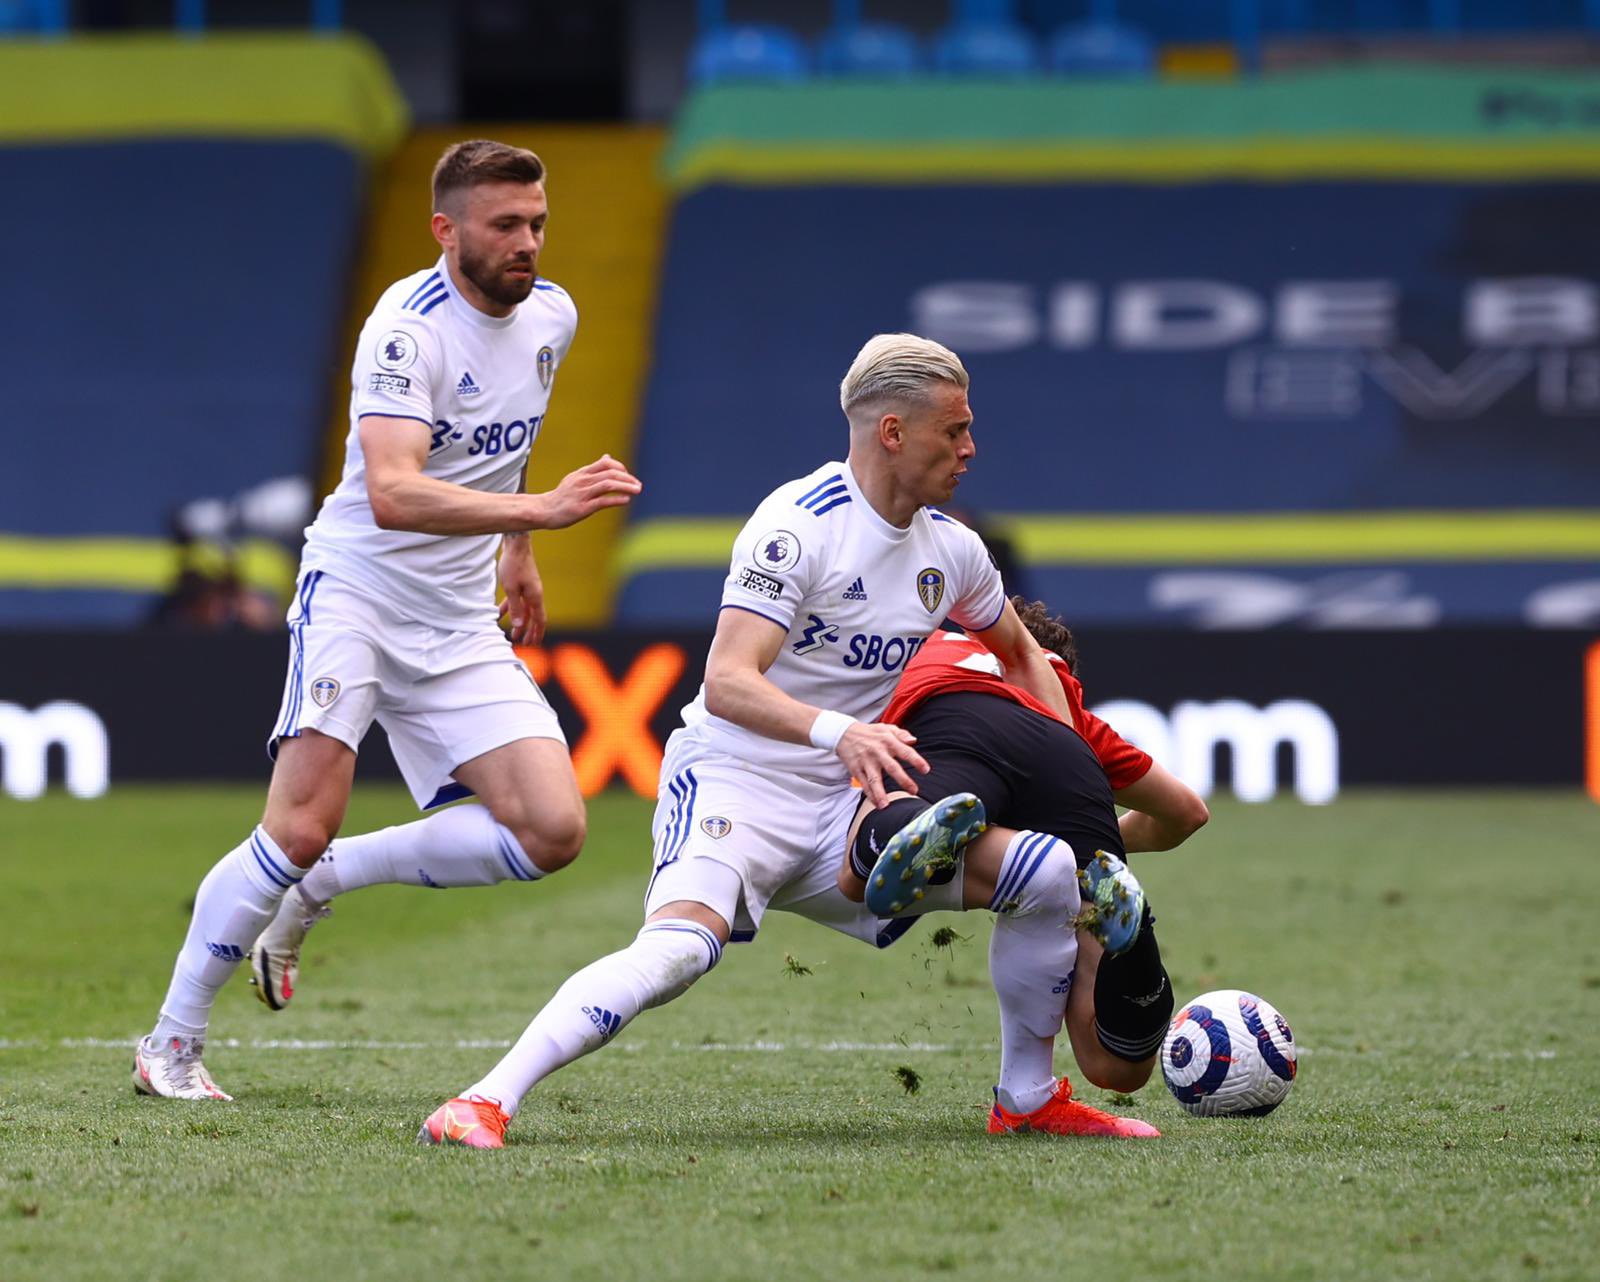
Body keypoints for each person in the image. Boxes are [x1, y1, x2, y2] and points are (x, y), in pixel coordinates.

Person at [414, 332, 1079, 1148]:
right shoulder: (799, 524)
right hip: (738, 781)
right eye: (955, 430)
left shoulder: (955, 551)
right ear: (893, 432)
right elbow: (728, 680)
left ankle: (1027, 1099)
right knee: (680, 951)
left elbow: (1020, 654)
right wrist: (843, 733)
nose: (971, 449)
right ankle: (481, 1102)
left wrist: (1069, 772)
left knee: (1048, 873)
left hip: (847, 810)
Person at [130, 139, 641, 1101]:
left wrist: (516, 550)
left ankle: (322, 886)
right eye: (504, 225)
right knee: (297, 824)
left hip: (454, 616)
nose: (527, 242)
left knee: (550, 830)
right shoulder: (405, 330)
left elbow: (506, 444)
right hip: (359, 594)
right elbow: (399, 494)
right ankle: (172, 1042)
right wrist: (538, 518)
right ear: (446, 229)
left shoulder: (553, 317)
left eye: (536, 223)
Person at [836, 603, 1209, 1134]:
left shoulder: (927, 648)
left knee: (857, 879)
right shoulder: (1068, 704)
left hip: (949, 719)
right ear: (1063, 670)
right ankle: (1135, 951)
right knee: (1116, 1067)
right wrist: (1093, 851)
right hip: (1063, 759)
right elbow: (1187, 813)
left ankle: (911, 824)